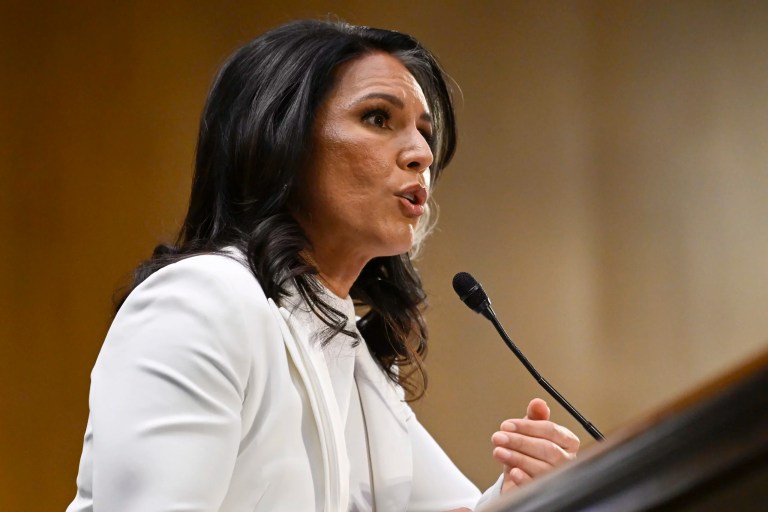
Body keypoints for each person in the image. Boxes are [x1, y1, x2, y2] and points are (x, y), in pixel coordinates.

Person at [67, 19, 580, 511]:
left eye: (424, 132)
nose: (422, 153)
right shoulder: (201, 299)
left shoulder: (350, 350)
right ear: (279, 138)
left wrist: (519, 493)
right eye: (378, 118)